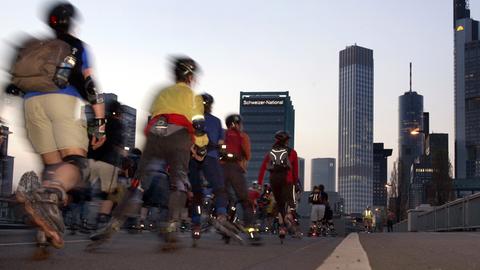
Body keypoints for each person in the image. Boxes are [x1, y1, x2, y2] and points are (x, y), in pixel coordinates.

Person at [10, 2, 106, 249]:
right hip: (63, 101)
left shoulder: (37, 47)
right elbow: (90, 85)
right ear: (71, 21)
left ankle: (46, 230)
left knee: (53, 167)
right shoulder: (75, 46)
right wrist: (100, 123)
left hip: (32, 105)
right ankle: (49, 193)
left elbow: (12, 85)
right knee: (75, 163)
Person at [90, 57, 208, 251]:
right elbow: (198, 125)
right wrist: (201, 145)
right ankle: (171, 227)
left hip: (156, 132)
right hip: (180, 133)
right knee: (178, 181)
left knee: (138, 182)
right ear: (191, 77)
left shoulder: (162, 92)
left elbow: (153, 116)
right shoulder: (193, 96)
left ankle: (114, 223)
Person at [188, 93, 228, 242]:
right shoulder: (216, 121)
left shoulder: (190, 118)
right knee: (219, 188)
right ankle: (221, 215)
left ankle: (196, 224)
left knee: (196, 193)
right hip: (210, 157)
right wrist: (222, 152)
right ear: (211, 105)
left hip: (193, 158)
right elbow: (221, 143)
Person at [221, 114, 261, 244]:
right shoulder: (242, 136)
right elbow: (247, 154)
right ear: (238, 124)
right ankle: (251, 232)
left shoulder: (223, 134)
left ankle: (225, 230)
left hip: (221, 169)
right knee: (245, 201)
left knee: (227, 200)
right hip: (236, 169)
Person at [88, 100, 126, 230]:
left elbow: (91, 140)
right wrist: (123, 157)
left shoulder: (100, 121)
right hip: (108, 162)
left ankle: (84, 220)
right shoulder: (118, 124)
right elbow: (117, 145)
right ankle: (102, 222)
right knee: (110, 194)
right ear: (119, 113)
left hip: (92, 160)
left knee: (87, 191)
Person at [257, 130, 300, 242]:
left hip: (274, 180)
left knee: (280, 205)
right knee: (290, 203)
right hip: (287, 180)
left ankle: (281, 228)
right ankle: (289, 218)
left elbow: (263, 168)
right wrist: (295, 183)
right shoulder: (292, 153)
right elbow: (295, 171)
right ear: (286, 141)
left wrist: (260, 183)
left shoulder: (271, 152)